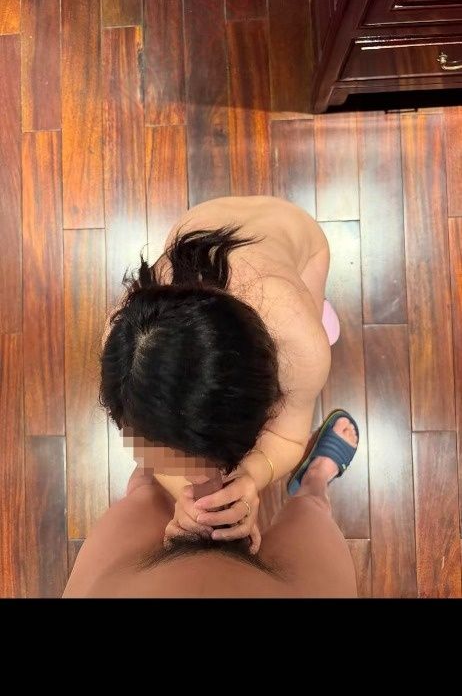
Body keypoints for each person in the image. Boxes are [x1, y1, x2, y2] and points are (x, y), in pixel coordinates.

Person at [95, 195, 342, 554]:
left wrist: (254, 473)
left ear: (270, 391)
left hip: (300, 243)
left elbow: (289, 437)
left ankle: (318, 308)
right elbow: (140, 440)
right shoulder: (125, 340)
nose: (197, 474)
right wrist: (189, 494)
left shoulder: (301, 339)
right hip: (200, 227)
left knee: (316, 321)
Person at [63, 410, 359, 598]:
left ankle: (152, 467)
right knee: (312, 510)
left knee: (143, 493)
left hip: (120, 586)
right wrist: (257, 473)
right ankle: (315, 480)